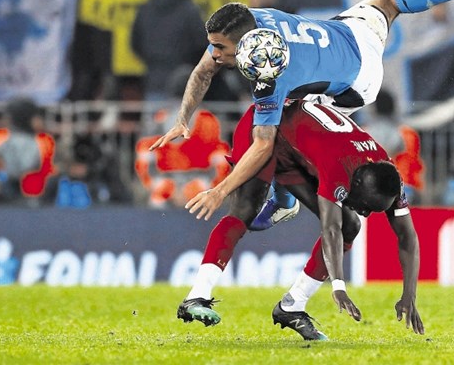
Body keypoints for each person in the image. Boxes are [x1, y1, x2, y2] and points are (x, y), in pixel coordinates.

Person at [149, 0, 454, 228]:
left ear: (246, 45)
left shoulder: (270, 68)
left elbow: (261, 145)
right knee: (390, 0)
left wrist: (219, 191)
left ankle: (283, 200)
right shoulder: (248, 23)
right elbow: (202, 71)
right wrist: (184, 119)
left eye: (220, 48)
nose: (214, 54)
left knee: (276, 130)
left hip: (354, 85)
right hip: (350, 34)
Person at [177, 100, 424, 340]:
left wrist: (409, 294)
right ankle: (196, 295)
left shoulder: (390, 178)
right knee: (244, 211)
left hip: (298, 151)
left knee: (352, 225)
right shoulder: (337, 165)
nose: (366, 212)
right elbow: (330, 229)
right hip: (266, 127)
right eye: (366, 206)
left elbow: (408, 237)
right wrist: (338, 286)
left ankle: (292, 305)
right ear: (354, 184)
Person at [130, 0, 207, 101]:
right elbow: (201, 44)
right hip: (182, 81)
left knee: (153, 121)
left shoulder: (145, 8)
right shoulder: (190, 10)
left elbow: (135, 43)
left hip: (152, 78)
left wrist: (151, 60)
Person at [0, 97, 55, 205]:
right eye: (36, 116)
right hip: (2, 191)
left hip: (33, 195)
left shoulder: (43, 139)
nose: (39, 120)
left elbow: (47, 171)